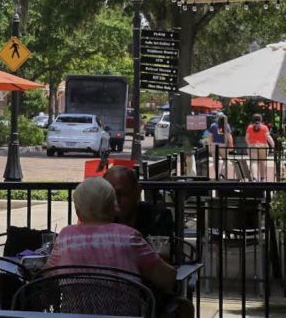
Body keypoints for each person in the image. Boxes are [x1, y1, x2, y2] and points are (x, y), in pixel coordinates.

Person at [46, 178, 191, 318]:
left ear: (78, 212)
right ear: (113, 208)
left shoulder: (65, 237)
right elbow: (166, 279)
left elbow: (47, 277)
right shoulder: (129, 237)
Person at [104, 166, 174, 239]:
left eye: (121, 193)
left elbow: (161, 248)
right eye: (108, 195)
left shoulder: (158, 217)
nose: (115, 200)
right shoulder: (99, 219)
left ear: (137, 192)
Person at [245, 114, 275, 181]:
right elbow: (268, 137)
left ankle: (254, 178)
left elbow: (246, 138)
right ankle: (262, 178)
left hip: (253, 146)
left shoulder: (249, 127)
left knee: (254, 162)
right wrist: (273, 145)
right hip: (263, 146)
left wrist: (249, 144)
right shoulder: (264, 127)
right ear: (261, 120)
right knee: (262, 162)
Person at [208, 113, 234, 179]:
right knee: (225, 160)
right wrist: (231, 145)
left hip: (214, 144)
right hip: (223, 144)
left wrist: (210, 146)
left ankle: (217, 175)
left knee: (215, 160)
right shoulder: (226, 125)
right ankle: (222, 173)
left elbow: (210, 137)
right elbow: (229, 136)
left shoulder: (213, 125)